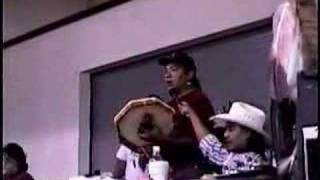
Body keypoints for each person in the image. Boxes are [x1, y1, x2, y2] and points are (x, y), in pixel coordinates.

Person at [139, 52, 217, 179]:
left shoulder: (197, 99)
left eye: (174, 70)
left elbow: (199, 142)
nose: (167, 75)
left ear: (189, 74)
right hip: (174, 171)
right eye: (166, 71)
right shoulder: (169, 105)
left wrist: (161, 138)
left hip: (194, 170)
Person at [178, 101, 270, 175]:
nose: (225, 134)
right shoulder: (251, 158)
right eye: (226, 129)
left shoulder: (250, 161)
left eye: (231, 129)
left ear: (248, 132)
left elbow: (211, 148)